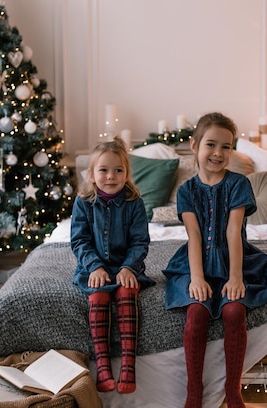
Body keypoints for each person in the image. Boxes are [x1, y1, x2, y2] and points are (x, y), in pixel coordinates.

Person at [162, 112, 267, 408]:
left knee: (234, 312)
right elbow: (194, 235)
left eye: (226, 147)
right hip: (196, 263)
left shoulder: (238, 184)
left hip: (236, 260)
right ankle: (194, 391)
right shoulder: (186, 191)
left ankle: (233, 390)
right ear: (194, 145)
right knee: (196, 314)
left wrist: (236, 277)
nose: (218, 153)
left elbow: (234, 231)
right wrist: (196, 278)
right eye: (211, 144)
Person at [71, 137, 154, 394]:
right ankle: (103, 365)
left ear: (127, 173)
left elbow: (140, 242)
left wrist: (129, 267)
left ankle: (129, 364)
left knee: (127, 293)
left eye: (118, 170)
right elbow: (79, 241)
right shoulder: (83, 202)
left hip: (127, 267)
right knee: (98, 297)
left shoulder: (134, 203)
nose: (111, 176)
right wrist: (95, 266)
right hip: (93, 269)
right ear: (92, 174)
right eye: (104, 170)